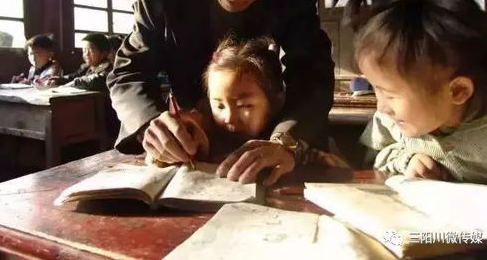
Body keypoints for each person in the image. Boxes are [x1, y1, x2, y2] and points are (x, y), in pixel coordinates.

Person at [108, 0, 334, 183]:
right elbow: (128, 72)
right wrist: (150, 124)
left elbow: (311, 73)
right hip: (186, 139)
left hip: (266, 134)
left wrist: (286, 141)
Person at [334, 0, 487, 183]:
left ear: (458, 91)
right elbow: (374, 159)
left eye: (390, 94)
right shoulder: (390, 123)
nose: (382, 107)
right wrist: (406, 159)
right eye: (376, 88)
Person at [145, 37, 348, 185]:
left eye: (245, 106)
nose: (229, 118)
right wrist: (164, 152)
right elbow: (158, 160)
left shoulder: (293, 146)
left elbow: (339, 173)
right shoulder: (203, 141)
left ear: (277, 100)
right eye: (219, 105)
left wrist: (315, 163)